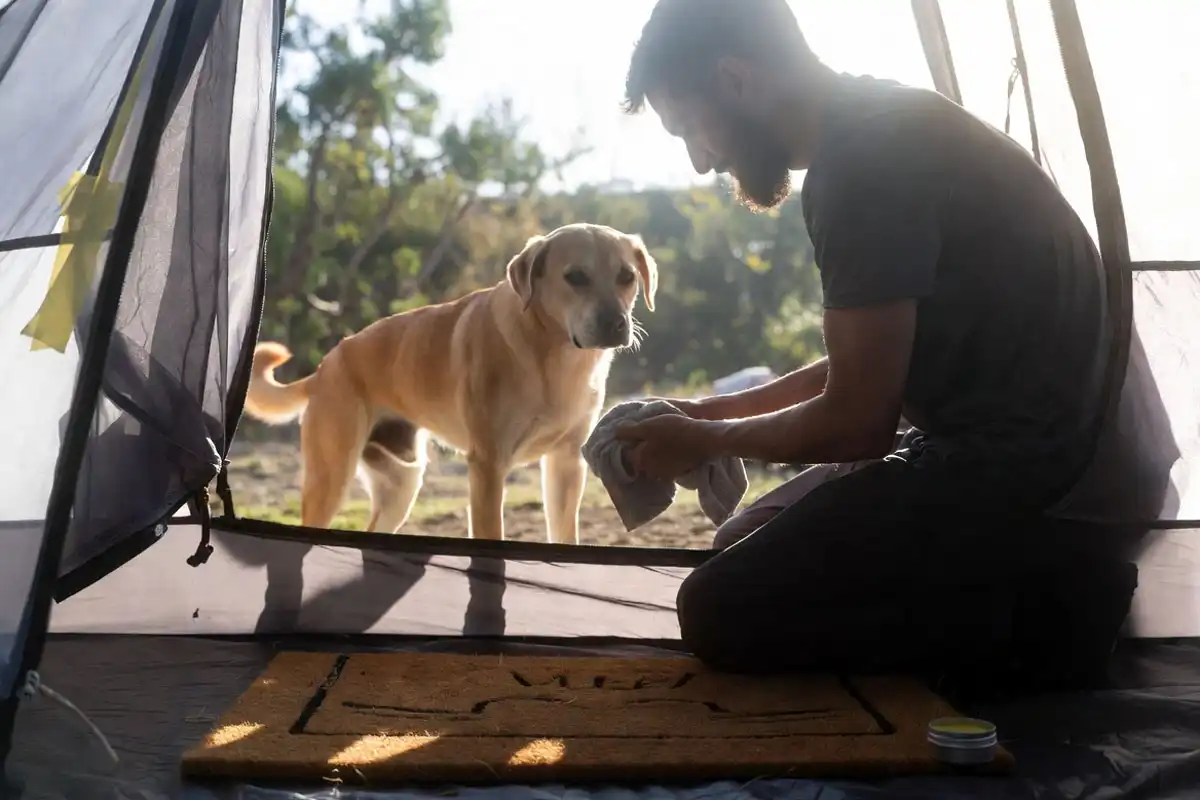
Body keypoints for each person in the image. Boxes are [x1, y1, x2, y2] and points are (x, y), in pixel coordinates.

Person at [615, 0, 1130, 681]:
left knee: (719, 611)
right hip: (1002, 441)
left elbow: (858, 421)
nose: (701, 163)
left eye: (690, 130)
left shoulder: (864, 167)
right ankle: (1001, 576)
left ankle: (1064, 598)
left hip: (1008, 463)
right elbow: (864, 363)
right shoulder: (878, 122)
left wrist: (707, 443)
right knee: (738, 540)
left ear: (736, 80)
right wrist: (706, 415)